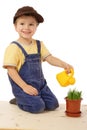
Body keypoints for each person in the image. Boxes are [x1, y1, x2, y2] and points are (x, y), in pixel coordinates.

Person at [3, 6, 73, 113]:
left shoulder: (39, 44)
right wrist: (25, 87)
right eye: (22, 23)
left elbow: (49, 58)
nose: (26, 27)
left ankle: (34, 98)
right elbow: (11, 70)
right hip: (22, 87)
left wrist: (64, 64)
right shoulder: (14, 48)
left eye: (31, 24)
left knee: (53, 104)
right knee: (38, 107)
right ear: (15, 26)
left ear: (36, 27)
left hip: (40, 86)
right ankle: (20, 100)